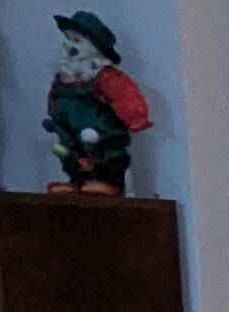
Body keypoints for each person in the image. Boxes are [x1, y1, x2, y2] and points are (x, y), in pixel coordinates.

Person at [44, 11, 150, 193]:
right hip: (68, 127)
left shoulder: (105, 77)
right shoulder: (64, 78)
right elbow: (55, 98)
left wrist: (135, 117)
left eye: (77, 41)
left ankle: (110, 182)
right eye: (68, 39)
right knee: (64, 149)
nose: (70, 46)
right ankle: (78, 180)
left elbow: (125, 94)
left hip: (99, 130)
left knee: (105, 147)